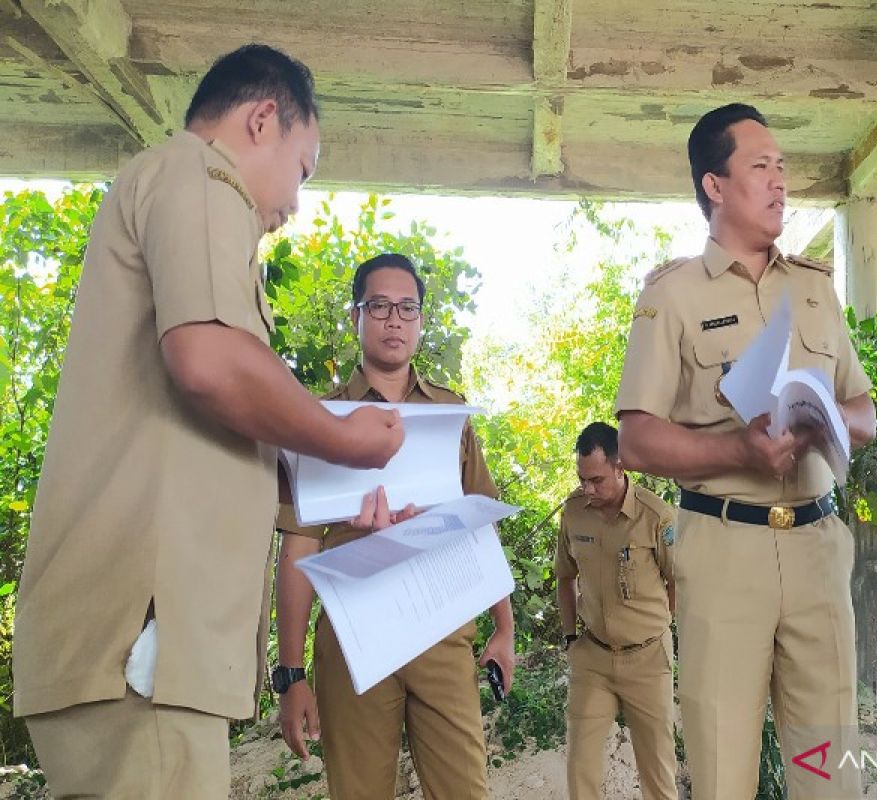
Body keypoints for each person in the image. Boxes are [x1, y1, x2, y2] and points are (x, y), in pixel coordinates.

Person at [13, 44, 405, 798]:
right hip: (140, 642)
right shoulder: (200, 175)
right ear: (263, 120)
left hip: (140, 647)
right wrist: (349, 440)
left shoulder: (177, 190)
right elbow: (209, 361)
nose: (297, 201)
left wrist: (335, 492)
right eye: (304, 167)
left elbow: (217, 410)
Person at [615, 103, 877, 799]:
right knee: (722, 764)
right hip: (724, 549)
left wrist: (827, 422)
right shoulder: (671, 297)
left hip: (819, 548)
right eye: (760, 167)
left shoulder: (815, 289)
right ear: (715, 186)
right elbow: (636, 440)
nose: (779, 182)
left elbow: (865, 412)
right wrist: (739, 449)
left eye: (783, 168)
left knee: (829, 767)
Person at [274, 252, 515, 800]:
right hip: (353, 637)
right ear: (355, 316)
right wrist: (291, 675)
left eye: (407, 308)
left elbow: (481, 523)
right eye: (378, 306)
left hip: (443, 630)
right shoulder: (316, 421)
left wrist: (504, 626)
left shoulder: (451, 417)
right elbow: (297, 548)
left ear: (421, 320)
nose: (393, 320)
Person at [555, 422, 677, 800]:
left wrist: (660, 629)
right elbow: (564, 578)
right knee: (581, 771)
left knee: (657, 772)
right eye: (582, 479)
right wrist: (571, 637)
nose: (588, 490)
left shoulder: (657, 517)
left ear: (620, 466)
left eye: (597, 480)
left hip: (647, 659)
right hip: (593, 657)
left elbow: (680, 583)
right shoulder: (574, 512)